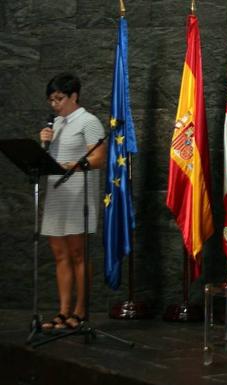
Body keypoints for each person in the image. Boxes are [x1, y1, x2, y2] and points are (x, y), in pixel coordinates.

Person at [39, 73, 106, 330]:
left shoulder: (88, 121)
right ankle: (63, 310)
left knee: (78, 252)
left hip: (78, 191)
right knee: (59, 254)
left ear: (73, 96)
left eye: (59, 98)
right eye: (51, 100)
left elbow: (99, 157)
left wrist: (76, 166)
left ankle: (81, 309)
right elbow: (47, 159)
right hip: (56, 193)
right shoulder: (55, 124)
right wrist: (44, 142)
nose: (55, 104)